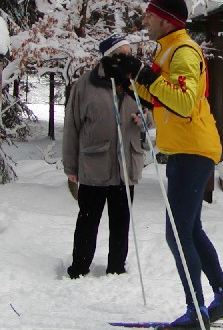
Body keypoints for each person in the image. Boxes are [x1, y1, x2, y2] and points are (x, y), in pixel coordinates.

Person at [102, 0, 223, 330]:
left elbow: (183, 101)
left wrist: (141, 73)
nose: (145, 20)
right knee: (189, 230)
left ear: (165, 19)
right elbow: (159, 97)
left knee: (177, 234)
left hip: (193, 148)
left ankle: (196, 311)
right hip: (185, 149)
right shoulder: (168, 49)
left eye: (149, 15)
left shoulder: (184, 51)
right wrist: (127, 78)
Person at [62, 34, 148, 279]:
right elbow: (72, 126)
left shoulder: (136, 83)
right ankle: (79, 267)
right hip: (94, 164)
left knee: (121, 222)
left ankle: (117, 268)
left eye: (130, 54)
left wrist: (145, 119)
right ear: (109, 56)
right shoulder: (85, 85)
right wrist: (71, 166)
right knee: (88, 221)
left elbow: (152, 115)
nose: (128, 59)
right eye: (123, 54)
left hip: (126, 165)